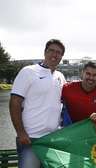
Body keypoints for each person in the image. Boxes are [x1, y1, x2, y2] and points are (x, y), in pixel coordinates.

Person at [9, 39, 66, 168]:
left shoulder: (61, 77)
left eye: (58, 53)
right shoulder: (28, 71)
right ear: (45, 52)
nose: (55, 55)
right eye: (51, 50)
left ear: (61, 57)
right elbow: (15, 102)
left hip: (52, 140)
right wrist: (21, 133)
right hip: (30, 138)